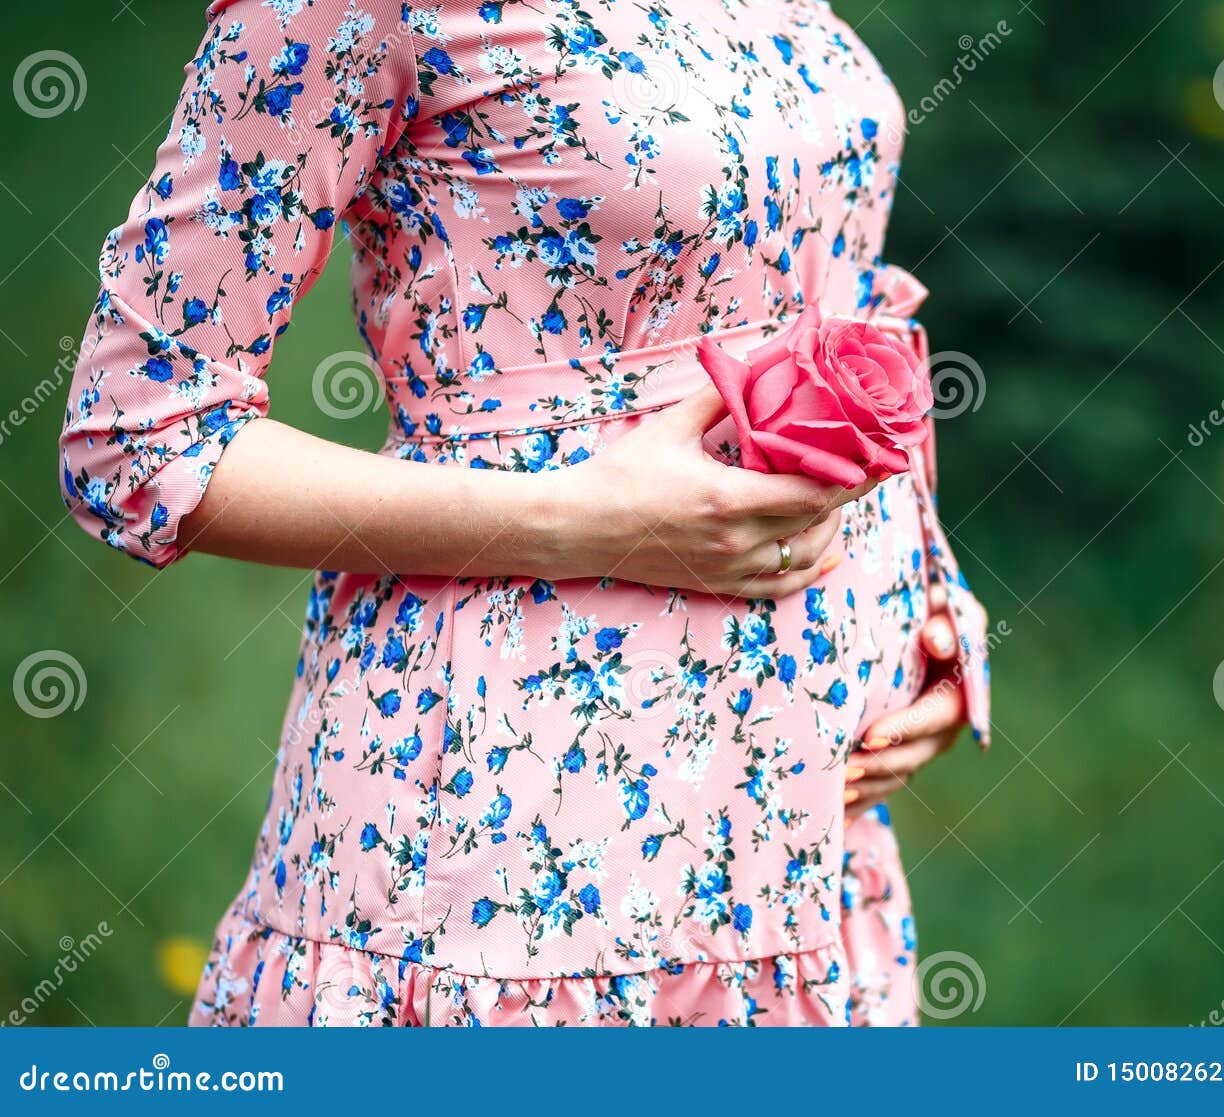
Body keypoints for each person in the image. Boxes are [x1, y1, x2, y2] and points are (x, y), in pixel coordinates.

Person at [60, 0, 989, 1026]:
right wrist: (577, 520)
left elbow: (812, 295)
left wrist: (926, 601)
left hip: (796, 832)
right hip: (511, 862)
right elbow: (138, 436)